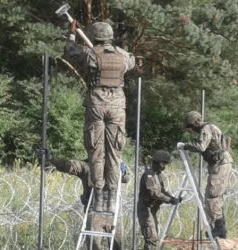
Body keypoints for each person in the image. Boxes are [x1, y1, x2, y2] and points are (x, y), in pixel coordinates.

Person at [63, 21, 136, 213]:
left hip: (97, 104)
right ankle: (112, 198)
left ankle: (97, 197)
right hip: (117, 106)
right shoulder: (124, 56)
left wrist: (72, 35)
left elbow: (70, 53)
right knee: (114, 153)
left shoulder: (90, 54)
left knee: (96, 152)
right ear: (110, 36)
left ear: (94, 37)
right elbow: (132, 61)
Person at [38, 146, 128, 250]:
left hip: (113, 211)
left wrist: (123, 171)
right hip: (94, 211)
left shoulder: (114, 165)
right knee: (93, 245)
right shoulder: (86, 166)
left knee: (118, 245)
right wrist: (50, 158)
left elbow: (125, 179)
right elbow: (66, 166)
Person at [177, 111, 232, 239]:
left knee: (212, 196)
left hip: (219, 164)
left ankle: (219, 227)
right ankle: (220, 226)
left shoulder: (206, 128)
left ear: (196, 122)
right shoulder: (212, 127)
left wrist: (185, 146)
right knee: (217, 196)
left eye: (191, 126)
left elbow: (201, 147)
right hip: (221, 163)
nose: (192, 129)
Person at [138, 150, 181, 250]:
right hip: (145, 211)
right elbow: (154, 193)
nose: (164, 167)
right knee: (151, 239)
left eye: (165, 164)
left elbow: (162, 191)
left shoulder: (158, 176)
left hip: (152, 211)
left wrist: (173, 198)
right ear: (156, 162)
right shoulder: (148, 176)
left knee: (154, 237)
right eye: (163, 164)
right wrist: (169, 200)